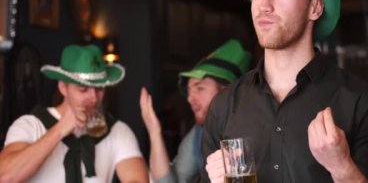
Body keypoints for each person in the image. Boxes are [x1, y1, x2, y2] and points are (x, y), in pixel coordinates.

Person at [202, 0, 368, 182]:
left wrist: (341, 166)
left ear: (315, 7)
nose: (264, 6)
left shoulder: (363, 102)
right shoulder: (223, 107)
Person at [0, 44, 149, 182]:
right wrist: (59, 130)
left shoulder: (117, 131)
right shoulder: (30, 125)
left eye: (99, 89)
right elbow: (5, 177)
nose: (94, 98)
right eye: (83, 89)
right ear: (63, 88)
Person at [139, 39, 252, 182]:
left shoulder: (256, 125)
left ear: (227, 91)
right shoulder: (199, 134)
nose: (190, 98)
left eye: (200, 88)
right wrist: (154, 131)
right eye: (189, 91)